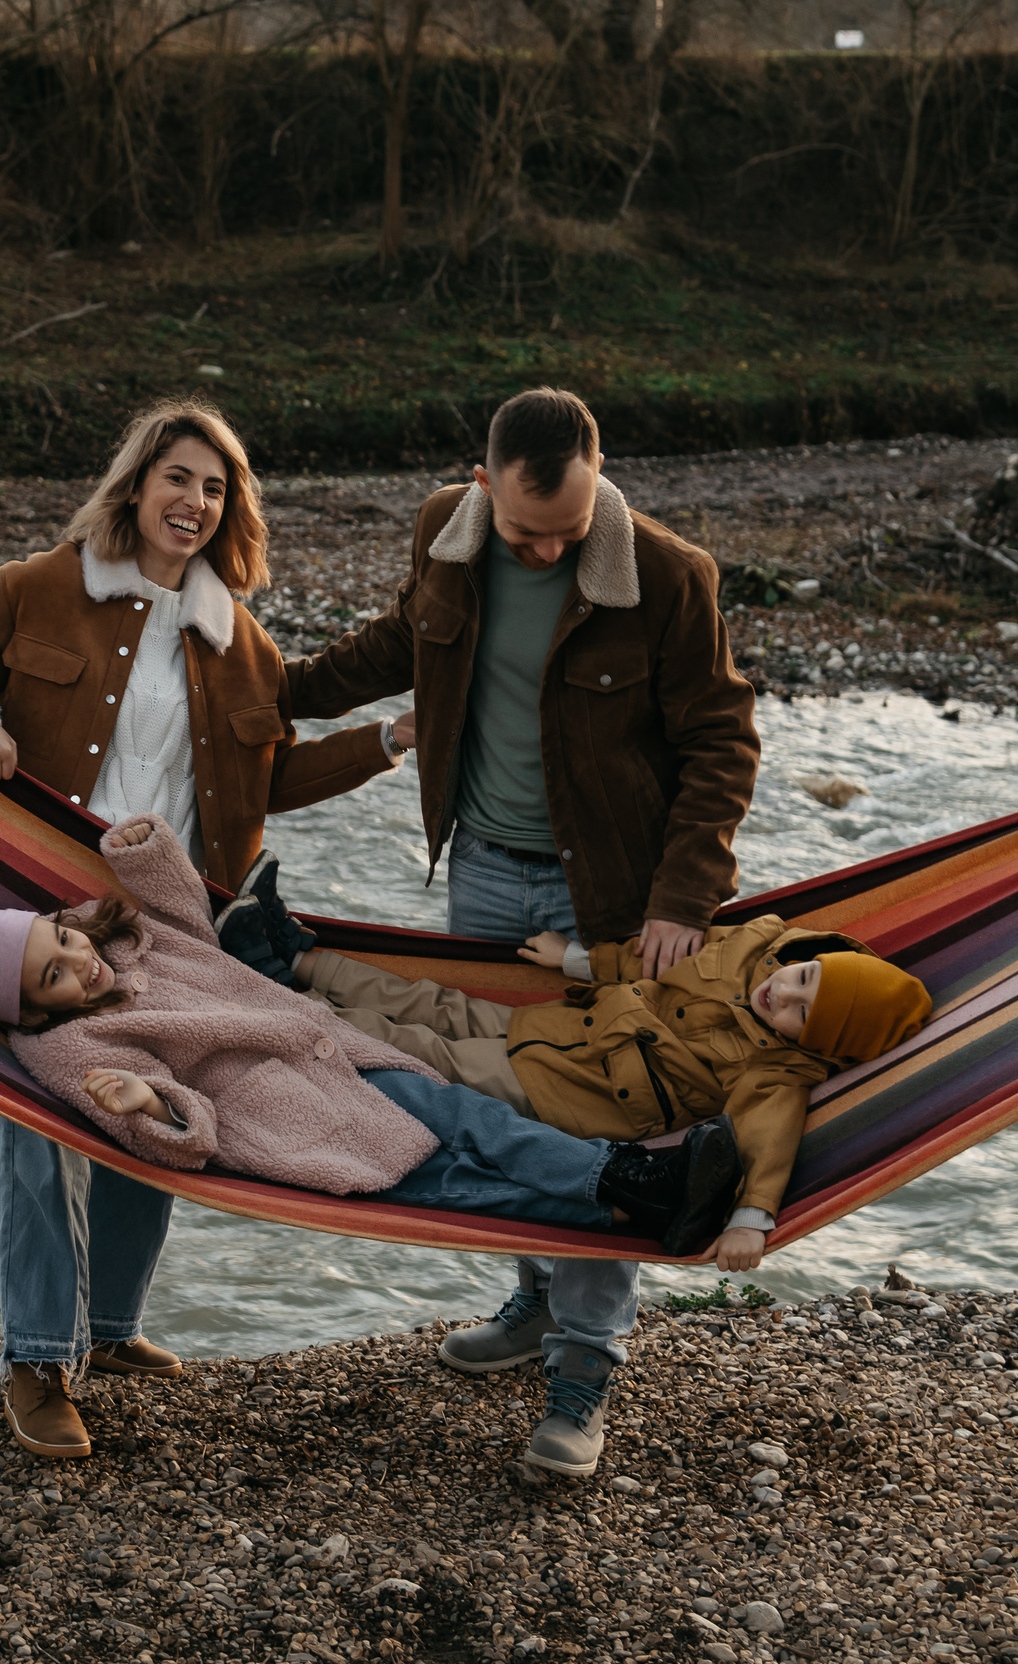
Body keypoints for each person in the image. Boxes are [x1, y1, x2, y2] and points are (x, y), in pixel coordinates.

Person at [0, 816, 748, 1462]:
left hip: (344, 1050)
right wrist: (145, 1099)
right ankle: (629, 1205)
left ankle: (631, 1178)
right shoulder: (66, 1044)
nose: (76, 964)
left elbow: (177, 906)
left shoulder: (120, 935)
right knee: (459, 1183)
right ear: (32, 1011)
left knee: (484, 1123)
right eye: (52, 976)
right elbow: (175, 1131)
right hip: (289, 1117)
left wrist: (142, 845)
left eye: (61, 942)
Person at [0, 401, 402, 1460]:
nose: (195, 501)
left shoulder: (240, 640)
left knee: (150, 1105)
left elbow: (271, 777)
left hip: (174, 920)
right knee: (35, 1118)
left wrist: (386, 741)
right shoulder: (39, 585)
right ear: (136, 482)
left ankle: (113, 1327)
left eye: (215, 488)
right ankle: (38, 1355)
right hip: (40, 907)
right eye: (178, 477)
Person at [280, 386, 763, 1475]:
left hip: (615, 900)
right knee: (491, 1085)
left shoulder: (671, 575)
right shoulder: (442, 533)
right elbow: (401, 644)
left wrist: (683, 901)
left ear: (600, 480)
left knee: (611, 1113)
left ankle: (585, 1370)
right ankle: (538, 1295)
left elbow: (721, 745)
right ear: (482, 480)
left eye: (567, 532)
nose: (545, 549)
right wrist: (262, 689)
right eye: (522, 531)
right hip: (484, 877)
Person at [222, 874, 932, 1474]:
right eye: (801, 977)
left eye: (801, 1014)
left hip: (576, 1095)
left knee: (421, 1051)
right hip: (564, 1026)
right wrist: (580, 961)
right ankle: (299, 959)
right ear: (808, 955)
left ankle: (274, 1005)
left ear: (811, 1046)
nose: (785, 995)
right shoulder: (759, 943)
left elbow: (769, 1132)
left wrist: (753, 1215)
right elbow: (657, 963)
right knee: (434, 1001)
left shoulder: (778, 1066)